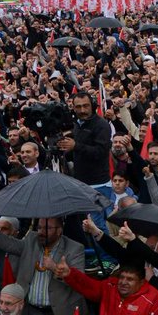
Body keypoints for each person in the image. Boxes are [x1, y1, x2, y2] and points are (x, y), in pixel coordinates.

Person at [0, 215, 85, 315]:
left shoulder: (75, 248)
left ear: (59, 230)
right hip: (30, 312)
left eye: (47, 228)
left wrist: (54, 268)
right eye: (39, 227)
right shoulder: (32, 239)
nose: (41, 232)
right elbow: (8, 243)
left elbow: (81, 283)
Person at [57, 92, 113, 228]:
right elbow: (78, 152)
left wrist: (76, 146)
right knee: (85, 225)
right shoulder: (77, 124)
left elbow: (100, 152)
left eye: (86, 106)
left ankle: (104, 250)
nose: (82, 110)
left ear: (92, 106)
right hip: (81, 183)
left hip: (98, 185)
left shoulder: (101, 125)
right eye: (79, 107)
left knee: (96, 226)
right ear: (74, 108)